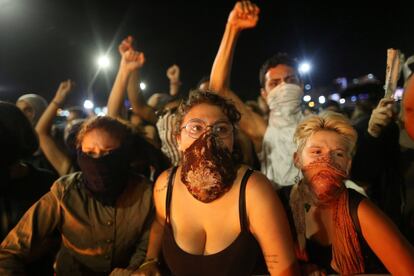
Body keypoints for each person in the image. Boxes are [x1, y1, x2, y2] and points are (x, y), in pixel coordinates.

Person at [134, 91, 298, 276]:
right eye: (196, 128)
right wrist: (149, 261)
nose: (208, 137)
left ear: (232, 139)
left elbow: (285, 270)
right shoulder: (165, 185)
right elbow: (160, 222)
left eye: (220, 129)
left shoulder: (253, 189)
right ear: (178, 139)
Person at [0, 116, 154, 275]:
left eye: (108, 152)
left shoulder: (146, 193)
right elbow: (10, 251)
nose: (98, 161)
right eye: (89, 153)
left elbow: (145, 249)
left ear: (124, 153)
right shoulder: (65, 192)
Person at [279, 112, 414, 275]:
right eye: (316, 152)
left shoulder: (359, 210)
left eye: (338, 154)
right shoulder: (279, 203)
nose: (327, 161)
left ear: (347, 166)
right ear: (297, 159)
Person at [209, 1, 303, 189]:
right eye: (274, 83)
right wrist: (232, 29)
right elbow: (218, 89)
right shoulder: (263, 131)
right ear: (264, 93)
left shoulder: (322, 124)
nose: (284, 87)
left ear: (302, 85)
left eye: (290, 80)